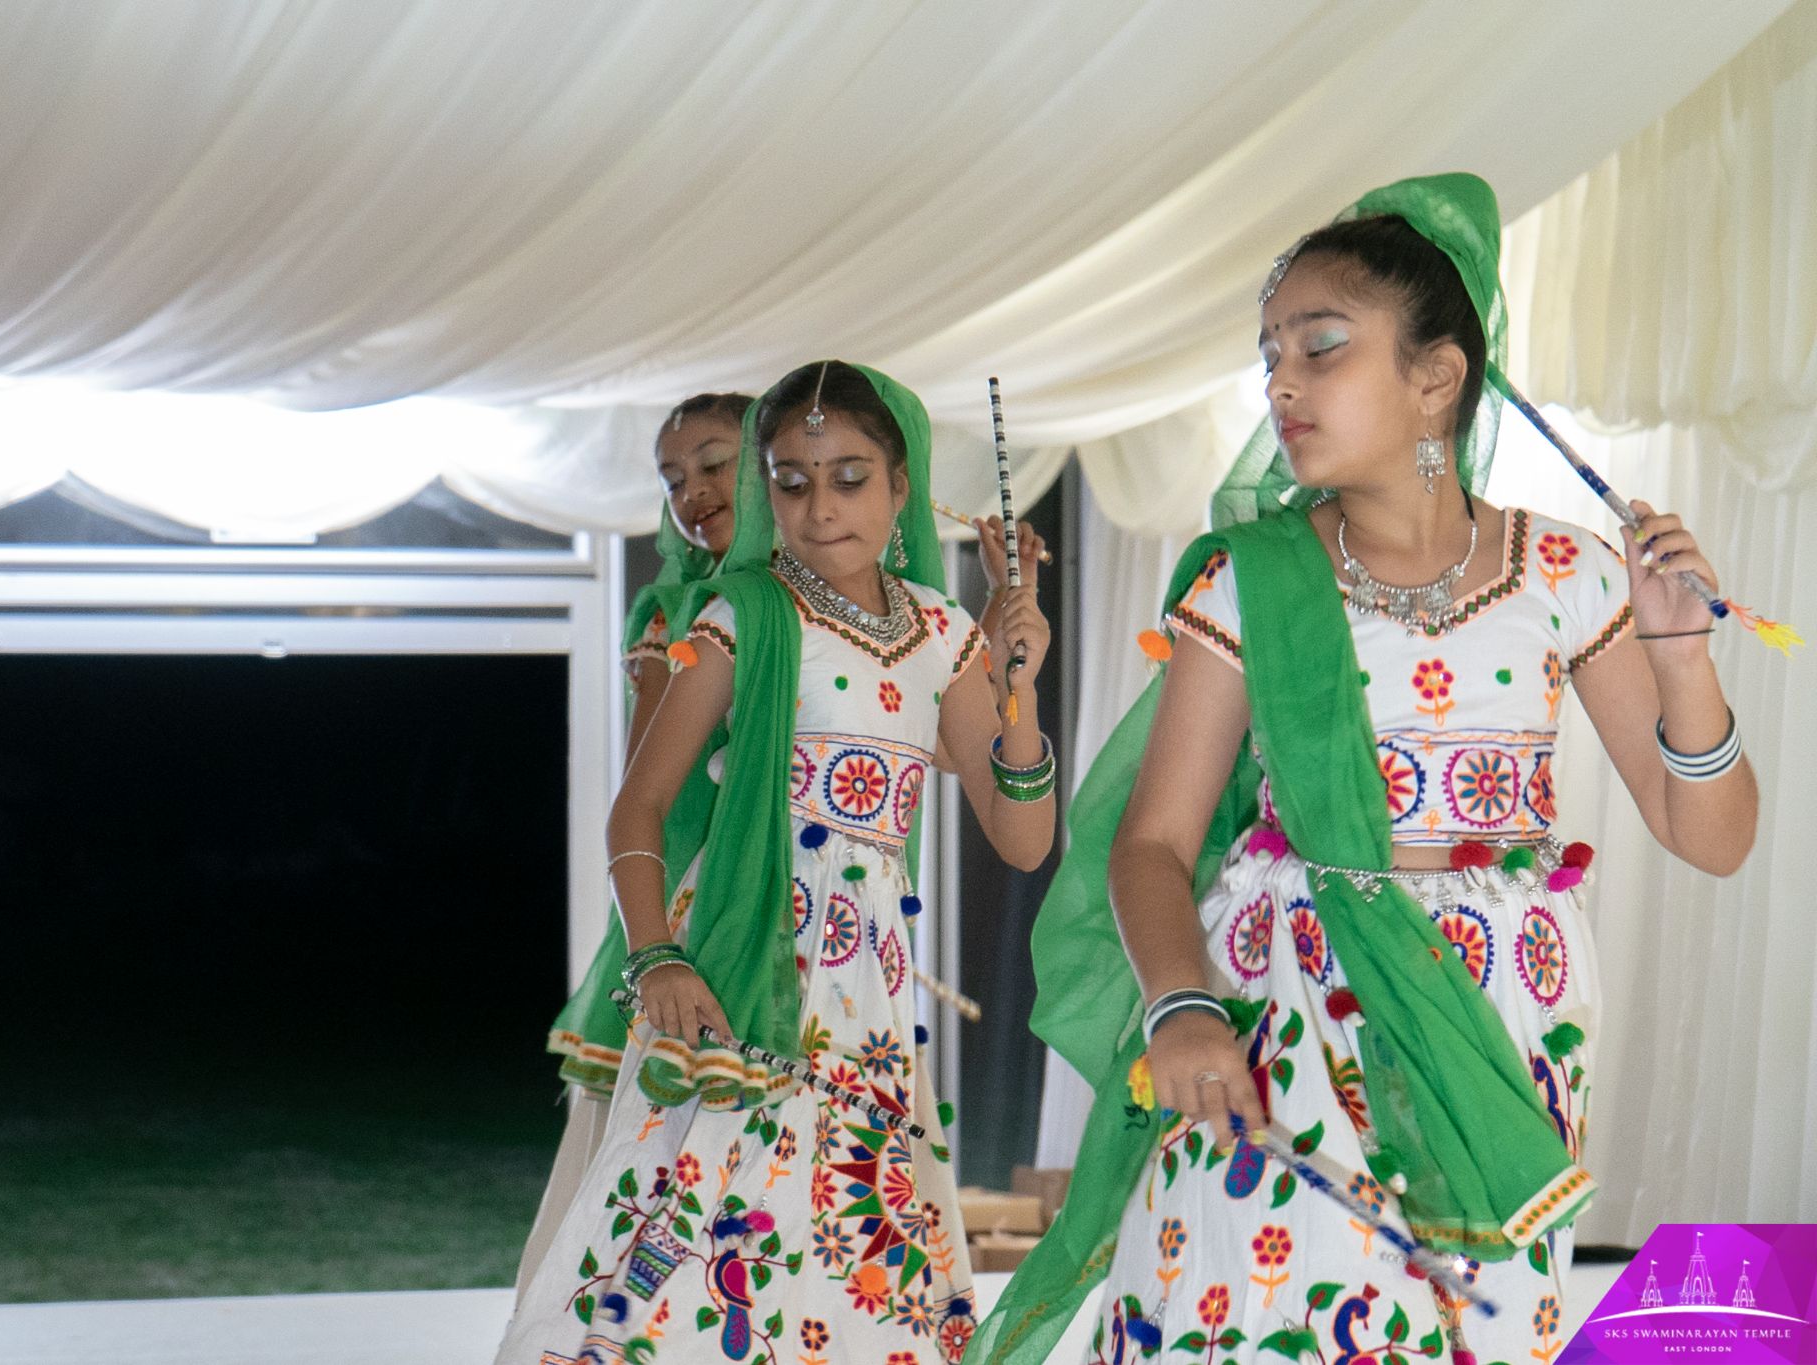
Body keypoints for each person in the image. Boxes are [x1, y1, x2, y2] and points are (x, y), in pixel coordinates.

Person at [971, 174, 1757, 1365]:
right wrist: (1180, 1010)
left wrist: (1679, 652)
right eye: (1269, 353)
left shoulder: (1568, 574)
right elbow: (1152, 846)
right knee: (1254, 1321)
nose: (1280, 383)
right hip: (1280, 1012)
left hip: (1495, 1022)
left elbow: (1709, 837)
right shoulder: (1248, 580)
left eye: (1320, 348)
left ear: (1435, 376)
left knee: (1464, 1333)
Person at [499, 360, 1055, 1364]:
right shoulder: (740, 616)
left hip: (870, 991)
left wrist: (1019, 688)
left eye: (848, 476)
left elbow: (1021, 838)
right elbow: (641, 806)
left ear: (899, 488)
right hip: (742, 960)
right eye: (790, 480)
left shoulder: (940, 631)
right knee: (707, 1220)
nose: (817, 505)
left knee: (848, 1232)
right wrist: (656, 957)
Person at [514, 391, 753, 1298]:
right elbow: (646, 794)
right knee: (645, 1179)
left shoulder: (826, 604)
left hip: (808, 919)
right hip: (696, 915)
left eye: (713, 463)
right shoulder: (677, 612)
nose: (692, 491)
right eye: (673, 476)